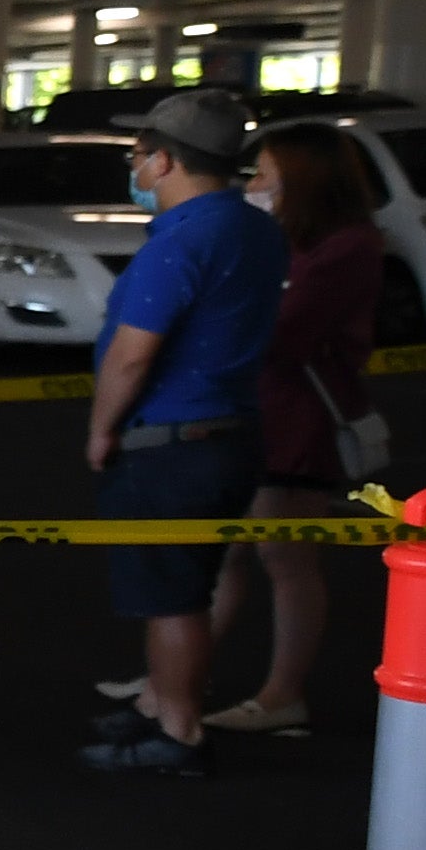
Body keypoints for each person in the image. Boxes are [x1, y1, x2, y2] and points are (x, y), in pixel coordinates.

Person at [77, 91, 284, 776]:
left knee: (173, 599)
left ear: (164, 161)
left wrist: (101, 430)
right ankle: (156, 705)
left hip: (171, 443)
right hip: (230, 432)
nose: (136, 170)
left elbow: (134, 353)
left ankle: (177, 729)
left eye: (138, 157)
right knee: (184, 584)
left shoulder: (183, 240)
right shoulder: (254, 229)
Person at [193, 121, 385, 736]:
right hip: (258, 413)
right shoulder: (290, 241)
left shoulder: (344, 248)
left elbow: (281, 330)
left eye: (266, 177)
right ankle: (179, 676)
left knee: (285, 556)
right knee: (229, 552)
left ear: (303, 183)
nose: (252, 186)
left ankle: (282, 695)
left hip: (297, 421)